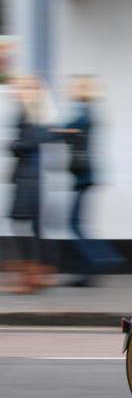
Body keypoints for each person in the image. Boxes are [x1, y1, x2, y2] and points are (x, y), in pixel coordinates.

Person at [53, 75, 123, 287]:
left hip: (84, 176)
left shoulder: (85, 112)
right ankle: (89, 270)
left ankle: (102, 260)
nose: (70, 90)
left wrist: (57, 130)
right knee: (77, 224)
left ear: (82, 90)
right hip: (83, 176)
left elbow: (70, 129)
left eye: (74, 87)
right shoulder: (87, 110)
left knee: (74, 225)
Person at [2, 75, 57, 294]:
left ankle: (32, 276)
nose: (17, 91)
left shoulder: (33, 112)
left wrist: (13, 144)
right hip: (28, 176)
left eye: (23, 87)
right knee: (32, 226)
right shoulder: (30, 111)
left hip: (29, 178)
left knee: (20, 223)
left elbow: (31, 143)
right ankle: (37, 273)